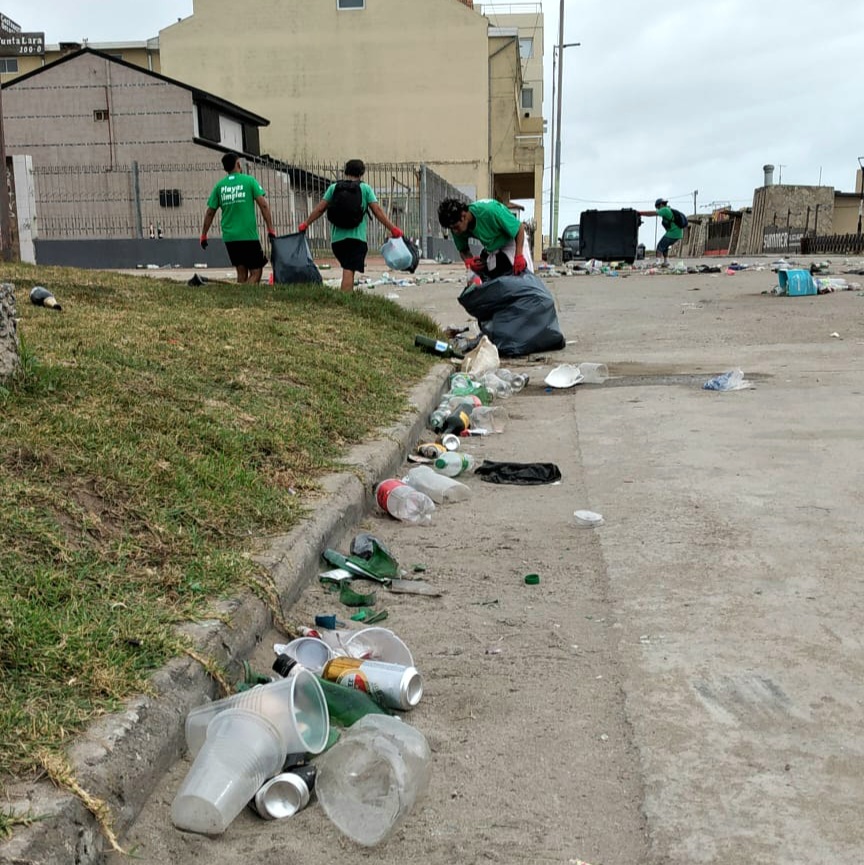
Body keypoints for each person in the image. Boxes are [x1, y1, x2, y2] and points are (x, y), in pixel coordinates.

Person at [298, 159, 402, 293]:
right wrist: (392, 228)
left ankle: (348, 296)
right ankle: (345, 300)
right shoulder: (365, 189)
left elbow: (320, 209)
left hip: (337, 241)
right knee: (349, 269)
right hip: (356, 239)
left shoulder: (334, 188)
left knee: (348, 267)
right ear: (362, 173)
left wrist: (306, 223)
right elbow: (377, 211)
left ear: (346, 171)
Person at [200, 152, 276, 284]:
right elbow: (263, 205)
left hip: (230, 237)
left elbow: (210, 212)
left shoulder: (219, 186)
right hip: (248, 235)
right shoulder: (249, 181)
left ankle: (241, 300)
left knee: (241, 272)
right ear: (238, 164)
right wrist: (270, 229)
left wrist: (204, 235)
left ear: (225, 168)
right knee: (256, 272)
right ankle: (243, 296)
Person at [437, 197, 533, 280]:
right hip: (493, 246)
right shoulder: (457, 227)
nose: (455, 232)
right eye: (451, 229)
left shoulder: (490, 211)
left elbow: (519, 228)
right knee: (486, 278)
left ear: (463, 215)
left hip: (513, 240)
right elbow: (463, 250)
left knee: (522, 274)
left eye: (456, 227)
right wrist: (470, 261)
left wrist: (519, 255)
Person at [638, 197, 683, 267]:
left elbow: (652, 213)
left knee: (660, 246)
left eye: (657, 207)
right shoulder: (668, 209)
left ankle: (657, 262)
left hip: (673, 233)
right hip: (677, 233)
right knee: (665, 246)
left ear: (661, 205)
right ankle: (666, 262)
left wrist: (640, 213)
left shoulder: (665, 209)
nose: (658, 209)